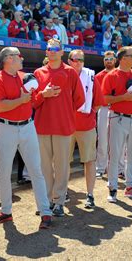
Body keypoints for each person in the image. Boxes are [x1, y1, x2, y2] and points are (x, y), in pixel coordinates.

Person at [0, 47, 52, 229]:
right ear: (8, 59)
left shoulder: (25, 76)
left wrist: (43, 95)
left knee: (36, 170)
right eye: (18, 56)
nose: (22, 58)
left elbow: (32, 101)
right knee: (5, 172)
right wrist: (21, 100)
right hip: (5, 127)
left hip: (27, 126)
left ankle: (45, 211)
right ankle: (6, 211)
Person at [32, 39, 85, 217]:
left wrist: (64, 112)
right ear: (46, 52)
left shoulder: (70, 72)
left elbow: (80, 99)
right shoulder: (38, 73)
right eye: (49, 49)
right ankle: (46, 201)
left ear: (62, 52)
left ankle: (59, 201)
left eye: (56, 49)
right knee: (44, 167)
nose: (52, 51)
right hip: (42, 126)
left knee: (62, 166)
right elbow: (32, 101)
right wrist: (43, 95)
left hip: (63, 126)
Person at [102, 46, 132, 202]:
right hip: (117, 117)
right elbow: (105, 99)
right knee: (115, 155)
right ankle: (113, 188)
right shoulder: (111, 75)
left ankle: (130, 186)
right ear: (123, 59)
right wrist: (123, 97)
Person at [67, 49, 104, 208]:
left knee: (89, 161)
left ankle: (90, 194)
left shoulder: (90, 76)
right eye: (75, 59)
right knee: (63, 162)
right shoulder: (63, 74)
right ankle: (63, 192)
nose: (78, 62)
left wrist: (89, 113)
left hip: (86, 125)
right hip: (66, 126)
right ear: (69, 61)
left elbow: (98, 102)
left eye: (81, 60)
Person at [94, 51, 119, 178]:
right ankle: (100, 167)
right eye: (106, 59)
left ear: (115, 60)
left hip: (118, 109)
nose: (108, 61)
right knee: (103, 139)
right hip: (103, 109)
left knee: (119, 141)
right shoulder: (99, 76)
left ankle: (120, 168)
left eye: (111, 59)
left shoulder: (120, 73)